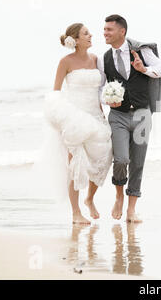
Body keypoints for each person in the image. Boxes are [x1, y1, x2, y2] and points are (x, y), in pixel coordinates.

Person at [97, 14, 161, 223]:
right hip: (118, 115)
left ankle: (131, 209)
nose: (105, 33)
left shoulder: (142, 50)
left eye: (109, 29)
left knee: (138, 162)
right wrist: (108, 99)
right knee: (121, 159)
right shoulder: (104, 58)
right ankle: (119, 196)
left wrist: (143, 69)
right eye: (104, 29)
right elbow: (100, 87)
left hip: (142, 114)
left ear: (122, 31)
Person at [45, 23, 113, 225]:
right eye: (86, 33)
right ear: (75, 39)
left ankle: (89, 199)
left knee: (104, 155)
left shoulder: (95, 59)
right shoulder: (65, 62)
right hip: (74, 117)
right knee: (75, 163)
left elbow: (101, 90)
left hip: (96, 114)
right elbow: (55, 92)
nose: (91, 35)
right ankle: (76, 213)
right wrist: (62, 117)